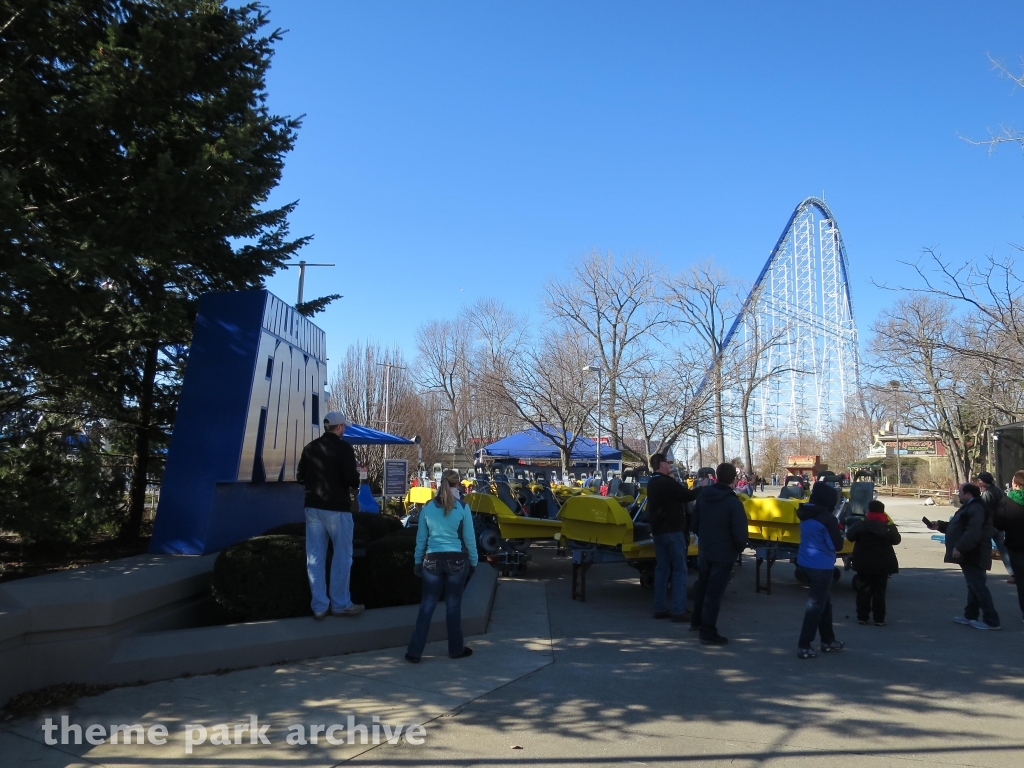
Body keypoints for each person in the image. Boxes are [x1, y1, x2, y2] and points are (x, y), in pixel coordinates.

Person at [295, 411, 364, 620]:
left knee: (315, 557)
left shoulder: (310, 448)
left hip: (313, 507)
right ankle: (340, 603)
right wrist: (355, 480)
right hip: (337, 508)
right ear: (340, 427)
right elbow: (352, 479)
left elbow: (300, 477)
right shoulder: (344, 449)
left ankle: (319, 606)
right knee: (342, 556)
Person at [406, 469, 479, 662]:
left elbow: (421, 539)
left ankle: (414, 651)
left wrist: (417, 561)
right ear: (457, 485)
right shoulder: (463, 508)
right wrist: (473, 562)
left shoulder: (428, 508)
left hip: (431, 560)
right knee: (453, 606)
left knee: (427, 606)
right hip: (457, 559)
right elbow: (469, 539)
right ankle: (455, 649)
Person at [928, 483, 1001, 630]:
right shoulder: (971, 506)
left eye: (960, 492)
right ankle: (970, 615)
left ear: (968, 494)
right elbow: (959, 525)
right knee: (973, 586)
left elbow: (973, 531)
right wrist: (941, 526)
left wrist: (960, 547)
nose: (958, 495)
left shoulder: (976, 508)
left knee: (978, 586)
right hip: (971, 552)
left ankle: (991, 621)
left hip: (975, 552)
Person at [689, 462, 748, 645]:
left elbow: (694, 523)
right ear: (733, 479)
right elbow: (739, 531)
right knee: (714, 593)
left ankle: (697, 621)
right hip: (724, 552)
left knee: (704, 587)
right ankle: (707, 631)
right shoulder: (732, 502)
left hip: (706, 548)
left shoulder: (703, 497)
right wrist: (739, 548)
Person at [795, 481, 845, 658]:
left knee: (824, 604)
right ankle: (804, 645)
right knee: (815, 607)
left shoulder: (805, 512)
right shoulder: (827, 518)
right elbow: (836, 545)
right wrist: (839, 531)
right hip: (821, 567)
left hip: (804, 563)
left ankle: (828, 640)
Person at [647, 452, 696, 622]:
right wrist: (702, 487)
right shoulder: (666, 482)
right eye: (667, 463)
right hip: (673, 531)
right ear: (661, 465)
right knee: (680, 570)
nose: (670, 465)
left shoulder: (652, 483)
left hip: (659, 531)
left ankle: (659, 607)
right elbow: (688, 496)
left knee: (662, 569)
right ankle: (679, 610)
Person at [846, 499, 901, 626]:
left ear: (869, 510)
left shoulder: (862, 523)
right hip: (883, 563)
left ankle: (862, 617)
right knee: (880, 591)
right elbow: (896, 540)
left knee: (863, 590)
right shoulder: (888, 525)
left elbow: (850, 536)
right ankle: (879, 618)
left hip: (864, 562)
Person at [994, 470, 1024, 623]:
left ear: (1015, 484)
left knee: (1022, 580)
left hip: (1016, 545)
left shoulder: (1006, 502)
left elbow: (998, 524)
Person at [976, 472, 1013, 583]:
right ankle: (1015, 574)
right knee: (1004, 550)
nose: (978, 482)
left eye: (979, 480)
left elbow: (984, 511)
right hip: (1000, 525)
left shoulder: (987, 494)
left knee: (983, 548)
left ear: (983, 481)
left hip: (989, 525)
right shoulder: (999, 491)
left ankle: (981, 573)